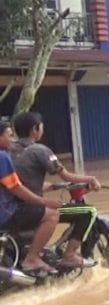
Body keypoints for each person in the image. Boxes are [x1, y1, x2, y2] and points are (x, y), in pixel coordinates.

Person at [10, 111, 100, 269]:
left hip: (9, 207)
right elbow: (67, 176)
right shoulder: (39, 150)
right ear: (34, 129)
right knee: (88, 211)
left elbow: (23, 183)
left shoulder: (9, 151)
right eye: (41, 127)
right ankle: (69, 255)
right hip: (28, 208)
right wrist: (90, 179)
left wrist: (54, 186)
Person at [0, 119, 62, 277]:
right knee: (52, 215)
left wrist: (47, 187)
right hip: (5, 212)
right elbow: (16, 188)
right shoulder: (2, 157)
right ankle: (32, 258)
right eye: (9, 135)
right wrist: (45, 201)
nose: (12, 139)